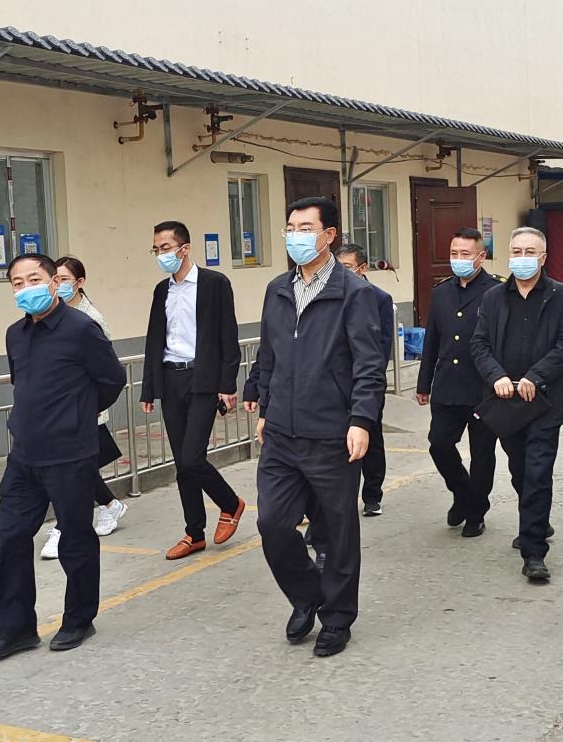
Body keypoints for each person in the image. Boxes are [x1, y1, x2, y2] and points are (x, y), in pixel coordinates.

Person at [252, 196, 384, 658]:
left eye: (305, 228)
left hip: (331, 432)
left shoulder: (353, 292)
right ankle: (308, 594)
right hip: (281, 434)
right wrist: (264, 407)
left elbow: (368, 363)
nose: (295, 236)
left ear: (329, 235)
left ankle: (337, 618)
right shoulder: (277, 289)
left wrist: (361, 419)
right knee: (272, 524)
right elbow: (268, 354)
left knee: (339, 531)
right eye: (290, 228)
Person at [0, 254, 126, 659]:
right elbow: (22, 383)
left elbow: (112, 380)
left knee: (75, 538)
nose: (26, 288)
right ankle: (15, 630)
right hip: (25, 454)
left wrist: (76, 415)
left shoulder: (81, 329)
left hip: (70, 454)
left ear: (54, 282)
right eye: (17, 283)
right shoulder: (15, 334)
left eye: (34, 279)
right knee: (11, 536)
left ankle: (79, 619)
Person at [470, 227, 563, 582]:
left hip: (543, 401)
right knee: (520, 469)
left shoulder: (561, 296)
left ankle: (533, 552)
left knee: (537, 472)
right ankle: (537, 520)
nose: (522, 258)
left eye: (530, 252)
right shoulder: (494, 297)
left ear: (543, 258)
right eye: (516, 251)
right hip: (506, 403)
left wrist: (535, 377)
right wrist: (497, 376)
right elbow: (479, 344)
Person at [141, 221, 246, 560]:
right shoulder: (162, 290)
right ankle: (194, 533)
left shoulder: (214, 284)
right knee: (182, 464)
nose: (160, 254)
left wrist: (227, 384)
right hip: (170, 379)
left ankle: (230, 503)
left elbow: (228, 335)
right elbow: (154, 339)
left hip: (203, 380)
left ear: (184, 249)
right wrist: (148, 388)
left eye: (165, 247)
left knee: (192, 458)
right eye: (156, 249)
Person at [40, 256, 128, 560]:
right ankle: (109, 505)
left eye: (64, 279)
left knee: (73, 468)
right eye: (55, 279)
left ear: (80, 283)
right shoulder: (50, 314)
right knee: (76, 467)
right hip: (57, 409)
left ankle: (64, 527)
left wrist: (93, 405)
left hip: (85, 407)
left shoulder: (91, 319)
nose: (59, 285)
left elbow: (106, 369)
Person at [415, 228, 501, 537]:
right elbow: (432, 341)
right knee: (439, 444)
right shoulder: (441, 292)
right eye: (454, 253)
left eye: (466, 254)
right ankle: (463, 493)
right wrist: (424, 383)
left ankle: (476, 512)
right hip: (448, 385)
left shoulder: (496, 291)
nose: (459, 259)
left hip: (482, 388)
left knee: (482, 454)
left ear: (481, 256)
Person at [337, 243, 395, 517]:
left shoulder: (379, 298)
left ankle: (372, 495)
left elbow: (381, 346)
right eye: (337, 267)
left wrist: (370, 380)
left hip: (367, 381)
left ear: (362, 268)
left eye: (347, 267)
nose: (341, 273)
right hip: (337, 383)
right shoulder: (332, 295)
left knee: (370, 436)